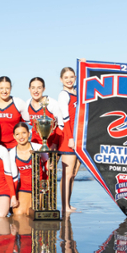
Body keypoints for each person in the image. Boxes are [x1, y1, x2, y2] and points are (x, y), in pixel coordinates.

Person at [56, 67, 80, 213]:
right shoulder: (63, 95)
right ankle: (65, 206)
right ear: (61, 80)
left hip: (79, 137)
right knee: (67, 174)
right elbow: (66, 119)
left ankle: (68, 204)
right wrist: (70, 138)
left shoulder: (79, 92)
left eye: (72, 77)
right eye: (66, 77)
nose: (69, 80)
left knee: (73, 174)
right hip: (68, 136)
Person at [9, 123, 42, 217]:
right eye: (17, 134)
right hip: (24, 187)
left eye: (24, 133)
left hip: (40, 187)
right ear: (14, 136)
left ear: (29, 133)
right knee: (19, 214)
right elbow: (14, 178)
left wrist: (50, 165)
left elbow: (47, 166)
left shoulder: (38, 147)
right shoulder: (12, 153)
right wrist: (13, 197)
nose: (21, 136)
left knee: (33, 214)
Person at [0, 76, 25, 149]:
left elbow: (27, 125)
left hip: (15, 146)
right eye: (1, 88)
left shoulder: (18, 102)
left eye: (7, 88)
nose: (4, 91)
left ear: (11, 88)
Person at [26, 77, 61, 147]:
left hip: (50, 145)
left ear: (43, 89)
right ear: (29, 89)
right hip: (34, 145)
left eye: (39, 88)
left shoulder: (52, 103)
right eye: (33, 88)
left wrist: (54, 144)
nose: (36, 91)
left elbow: (61, 125)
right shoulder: (27, 104)